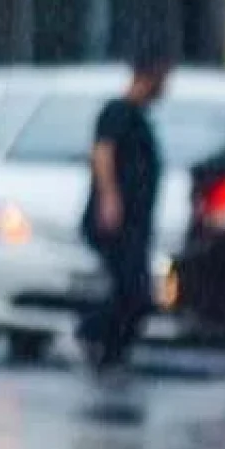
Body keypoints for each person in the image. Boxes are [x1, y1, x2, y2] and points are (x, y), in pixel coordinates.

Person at [77, 54, 174, 382]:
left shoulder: (140, 118)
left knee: (132, 291)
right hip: (119, 223)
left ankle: (109, 347)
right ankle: (94, 334)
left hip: (135, 223)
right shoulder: (117, 113)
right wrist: (110, 197)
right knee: (132, 290)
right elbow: (103, 153)